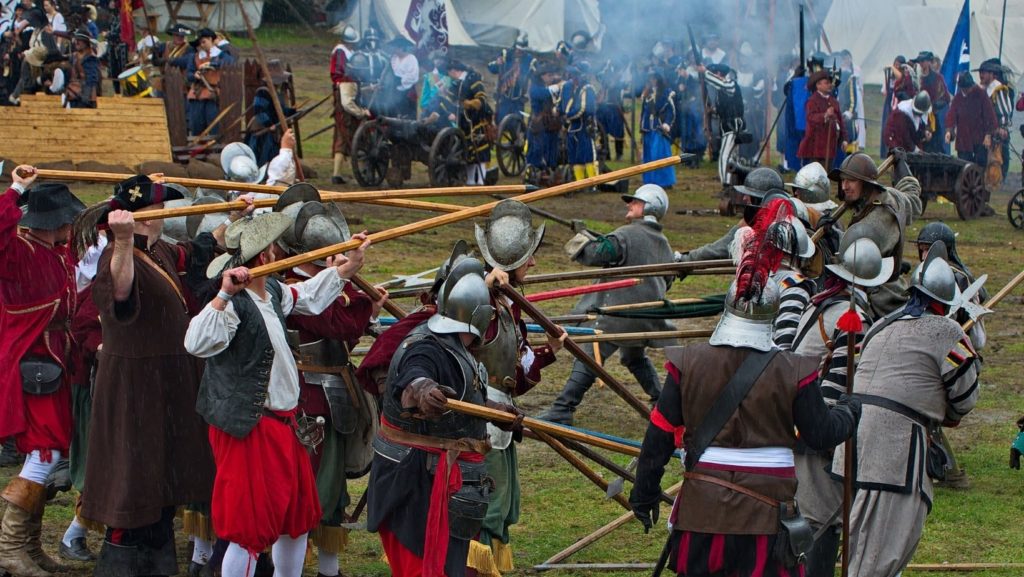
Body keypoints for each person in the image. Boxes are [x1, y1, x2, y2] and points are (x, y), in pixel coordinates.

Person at [629, 227, 859, 577]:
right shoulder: (795, 370)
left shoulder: (688, 363)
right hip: (765, 521)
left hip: (704, 514)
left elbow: (658, 435)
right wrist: (850, 411)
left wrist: (644, 494)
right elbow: (820, 433)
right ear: (773, 314)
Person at [184, 210, 370, 577]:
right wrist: (222, 294)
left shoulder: (271, 291)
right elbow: (194, 341)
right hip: (249, 428)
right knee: (247, 530)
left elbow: (308, 296)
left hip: (284, 425)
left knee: (296, 518)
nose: (282, 254)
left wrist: (346, 269)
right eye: (275, 249)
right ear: (266, 256)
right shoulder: (233, 306)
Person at [82, 175, 240, 577]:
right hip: (135, 389)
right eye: (155, 210)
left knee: (161, 486)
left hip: (166, 385)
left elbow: (202, 247)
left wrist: (240, 217)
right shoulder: (119, 256)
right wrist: (119, 241)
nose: (162, 215)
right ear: (139, 217)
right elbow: (118, 292)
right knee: (133, 484)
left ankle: (158, 563)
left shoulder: (160, 251)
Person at [367, 255, 520, 577]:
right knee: (420, 566)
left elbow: (464, 397)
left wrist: (496, 413)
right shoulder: (427, 345)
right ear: (479, 316)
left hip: (443, 476)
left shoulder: (457, 348)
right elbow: (414, 375)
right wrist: (423, 390)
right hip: (416, 480)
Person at [835, 243, 979, 577]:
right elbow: (965, 396)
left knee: (860, 547)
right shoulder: (947, 330)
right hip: (894, 451)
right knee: (878, 558)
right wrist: (947, 411)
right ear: (944, 304)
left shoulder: (881, 323)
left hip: (850, 444)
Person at [273, 187, 385, 577]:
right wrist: (364, 306)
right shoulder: (288, 284)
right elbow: (331, 322)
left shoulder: (328, 282)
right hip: (306, 400)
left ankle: (329, 569)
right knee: (306, 491)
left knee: (333, 488)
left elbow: (343, 337)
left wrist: (361, 305)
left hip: (335, 394)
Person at [468, 201, 566, 576]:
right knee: (483, 509)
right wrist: (484, 287)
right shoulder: (478, 301)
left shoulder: (509, 304)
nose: (534, 265)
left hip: (503, 417)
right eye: (530, 257)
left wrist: (548, 353)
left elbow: (514, 373)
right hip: (482, 422)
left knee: (502, 508)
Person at [0, 166, 84, 577]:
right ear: (55, 221)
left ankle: (28, 548)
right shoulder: (20, 252)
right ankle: (9, 548)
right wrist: (15, 189)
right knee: (44, 450)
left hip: (54, 362)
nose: (72, 223)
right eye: (67, 218)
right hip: (31, 365)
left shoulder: (57, 250)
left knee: (48, 452)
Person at [790, 238, 890, 577]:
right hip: (816, 429)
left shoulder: (818, 304)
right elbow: (838, 387)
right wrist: (834, 433)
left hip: (795, 418)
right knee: (822, 519)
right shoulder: (851, 317)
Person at [540, 185, 676, 425]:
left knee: (589, 356)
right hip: (646, 316)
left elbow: (597, 253)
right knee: (634, 357)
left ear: (649, 208)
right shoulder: (663, 242)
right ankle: (662, 401)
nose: (629, 204)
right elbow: (668, 278)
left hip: (618, 316)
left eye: (635, 202)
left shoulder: (627, 234)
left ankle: (563, 408)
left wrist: (581, 236)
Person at [59, 232, 108, 563]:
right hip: (89, 384)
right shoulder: (98, 285)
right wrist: (104, 345)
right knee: (96, 464)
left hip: (107, 383)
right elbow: (82, 329)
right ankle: (73, 534)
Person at [830, 152, 922, 317]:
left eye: (851, 180)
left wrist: (830, 235)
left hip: (879, 302)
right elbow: (913, 198)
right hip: (890, 287)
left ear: (866, 184)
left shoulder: (875, 221)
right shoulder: (890, 196)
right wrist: (902, 166)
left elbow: (849, 263)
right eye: (843, 180)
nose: (844, 186)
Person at [329, 26, 370, 185]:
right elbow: (339, 74)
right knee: (345, 137)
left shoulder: (346, 52)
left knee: (347, 138)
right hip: (345, 101)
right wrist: (360, 112)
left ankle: (339, 173)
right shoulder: (341, 51)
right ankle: (337, 174)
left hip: (345, 92)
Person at [446, 60, 492, 185]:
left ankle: (481, 181)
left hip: (477, 120)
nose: (449, 75)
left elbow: (481, 100)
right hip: (464, 122)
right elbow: (451, 98)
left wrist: (468, 104)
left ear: (454, 71)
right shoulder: (456, 83)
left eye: (449, 72)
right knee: (467, 152)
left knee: (480, 151)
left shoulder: (473, 79)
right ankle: (471, 180)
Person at [945, 71, 996, 166]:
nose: (968, 90)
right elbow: (951, 115)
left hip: (980, 139)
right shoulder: (958, 98)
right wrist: (949, 130)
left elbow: (990, 116)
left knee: (980, 166)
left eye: (969, 87)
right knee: (963, 166)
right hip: (963, 140)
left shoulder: (981, 95)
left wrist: (988, 134)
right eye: (966, 88)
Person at [798, 70, 847, 169]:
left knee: (827, 173)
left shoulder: (834, 102)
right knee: (815, 174)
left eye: (829, 83)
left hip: (830, 145)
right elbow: (811, 117)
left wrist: (844, 139)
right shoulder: (812, 101)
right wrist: (825, 115)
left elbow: (840, 122)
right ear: (818, 85)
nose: (829, 85)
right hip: (816, 147)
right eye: (826, 83)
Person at [975, 58, 1013, 186]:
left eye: (984, 72)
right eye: (981, 72)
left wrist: (1002, 127)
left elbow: (1004, 111)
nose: (981, 75)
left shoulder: (998, 89)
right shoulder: (982, 89)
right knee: (982, 158)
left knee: (996, 159)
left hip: (996, 131)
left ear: (992, 74)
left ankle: (996, 183)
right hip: (982, 131)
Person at [526, 63, 563, 185]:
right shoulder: (536, 88)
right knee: (537, 149)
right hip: (539, 124)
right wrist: (558, 86)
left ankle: (549, 169)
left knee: (551, 148)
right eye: (549, 75)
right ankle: (538, 170)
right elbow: (544, 93)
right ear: (542, 76)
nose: (551, 77)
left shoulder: (547, 85)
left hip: (550, 124)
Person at [560, 62, 597, 183]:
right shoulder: (576, 89)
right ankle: (579, 183)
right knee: (576, 157)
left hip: (585, 128)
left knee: (588, 157)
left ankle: (593, 183)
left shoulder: (587, 89)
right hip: (574, 127)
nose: (573, 78)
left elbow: (583, 108)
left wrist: (568, 116)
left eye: (576, 75)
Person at [639, 71, 675, 187]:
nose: (652, 81)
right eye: (650, 78)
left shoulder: (666, 93)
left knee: (659, 156)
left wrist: (667, 124)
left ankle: (664, 182)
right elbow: (644, 112)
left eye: (654, 78)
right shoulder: (647, 94)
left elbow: (671, 111)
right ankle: (650, 181)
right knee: (649, 156)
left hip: (659, 129)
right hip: (648, 129)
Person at [487, 32, 533, 124]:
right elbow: (491, 68)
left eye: (522, 51)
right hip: (504, 98)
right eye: (518, 49)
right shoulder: (505, 55)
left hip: (518, 100)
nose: (519, 52)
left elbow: (535, 74)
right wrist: (497, 63)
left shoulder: (529, 60)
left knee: (516, 124)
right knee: (500, 123)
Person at [704, 63, 744, 162]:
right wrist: (713, 110)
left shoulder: (731, 84)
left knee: (727, 154)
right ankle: (731, 174)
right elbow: (724, 106)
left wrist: (704, 72)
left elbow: (722, 85)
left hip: (733, 122)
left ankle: (729, 175)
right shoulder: (721, 90)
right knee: (730, 153)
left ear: (718, 73)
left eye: (715, 74)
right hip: (726, 122)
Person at [186, 28, 222, 137]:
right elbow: (189, 74)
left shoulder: (221, 54)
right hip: (197, 93)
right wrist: (194, 75)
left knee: (213, 124)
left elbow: (229, 62)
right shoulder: (195, 57)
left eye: (204, 42)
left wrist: (211, 64)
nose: (201, 45)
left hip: (212, 93)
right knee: (196, 124)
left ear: (210, 39)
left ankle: (213, 149)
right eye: (200, 43)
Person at [911, 51, 950, 154]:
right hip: (917, 115)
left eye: (923, 61)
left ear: (929, 62)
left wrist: (934, 106)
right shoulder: (916, 78)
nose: (921, 64)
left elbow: (946, 98)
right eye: (920, 61)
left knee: (935, 147)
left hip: (932, 118)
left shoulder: (937, 78)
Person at [64, 28, 99, 109]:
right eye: (76, 40)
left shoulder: (91, 59)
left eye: (79, 40)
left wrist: (85, 99)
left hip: (85, 99)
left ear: (86, 43)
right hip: (72, 96)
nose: (77, 42)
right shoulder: (73, 57)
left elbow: (91, 81)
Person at [387, 37, 418, 119]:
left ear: (401, 47)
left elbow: (413, 76)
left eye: (395, 47)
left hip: (408, 91)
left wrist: (401, 80)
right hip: (395, 90)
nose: (393, 49)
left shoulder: (411, 58)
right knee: (394, 111)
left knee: (407, 114)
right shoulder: (394, 58)